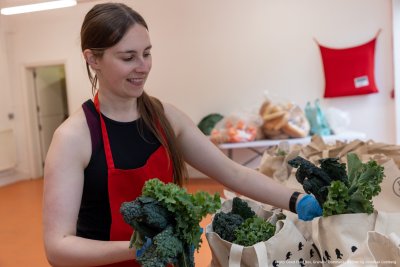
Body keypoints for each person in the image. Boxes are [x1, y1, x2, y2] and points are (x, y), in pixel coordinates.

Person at [42, 2, 322, 267]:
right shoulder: (73, 137)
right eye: (128, 57)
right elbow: (57, 247)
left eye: (147, 53)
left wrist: (296, 200)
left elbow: (233, 173)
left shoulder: (164, 117)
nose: (143, 66)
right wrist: (138, 247)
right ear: (93, 59)